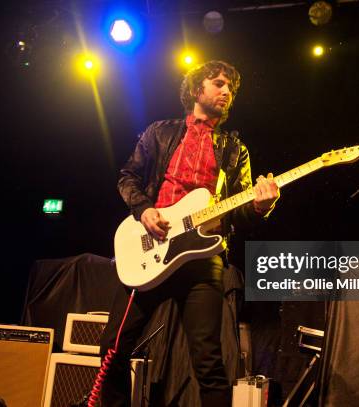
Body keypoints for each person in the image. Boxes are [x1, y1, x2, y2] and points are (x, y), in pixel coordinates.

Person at [100, 60, 279, 407]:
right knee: (112, 348)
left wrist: (261, 205)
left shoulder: (235, 150)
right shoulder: (159, 131)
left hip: (203, 258)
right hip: (150, 250)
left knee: (210, 362)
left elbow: (240, 214)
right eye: (218, 83)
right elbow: (128, 177)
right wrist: (144, 210)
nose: (226, 91)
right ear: (197, 89)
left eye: (231, 87)